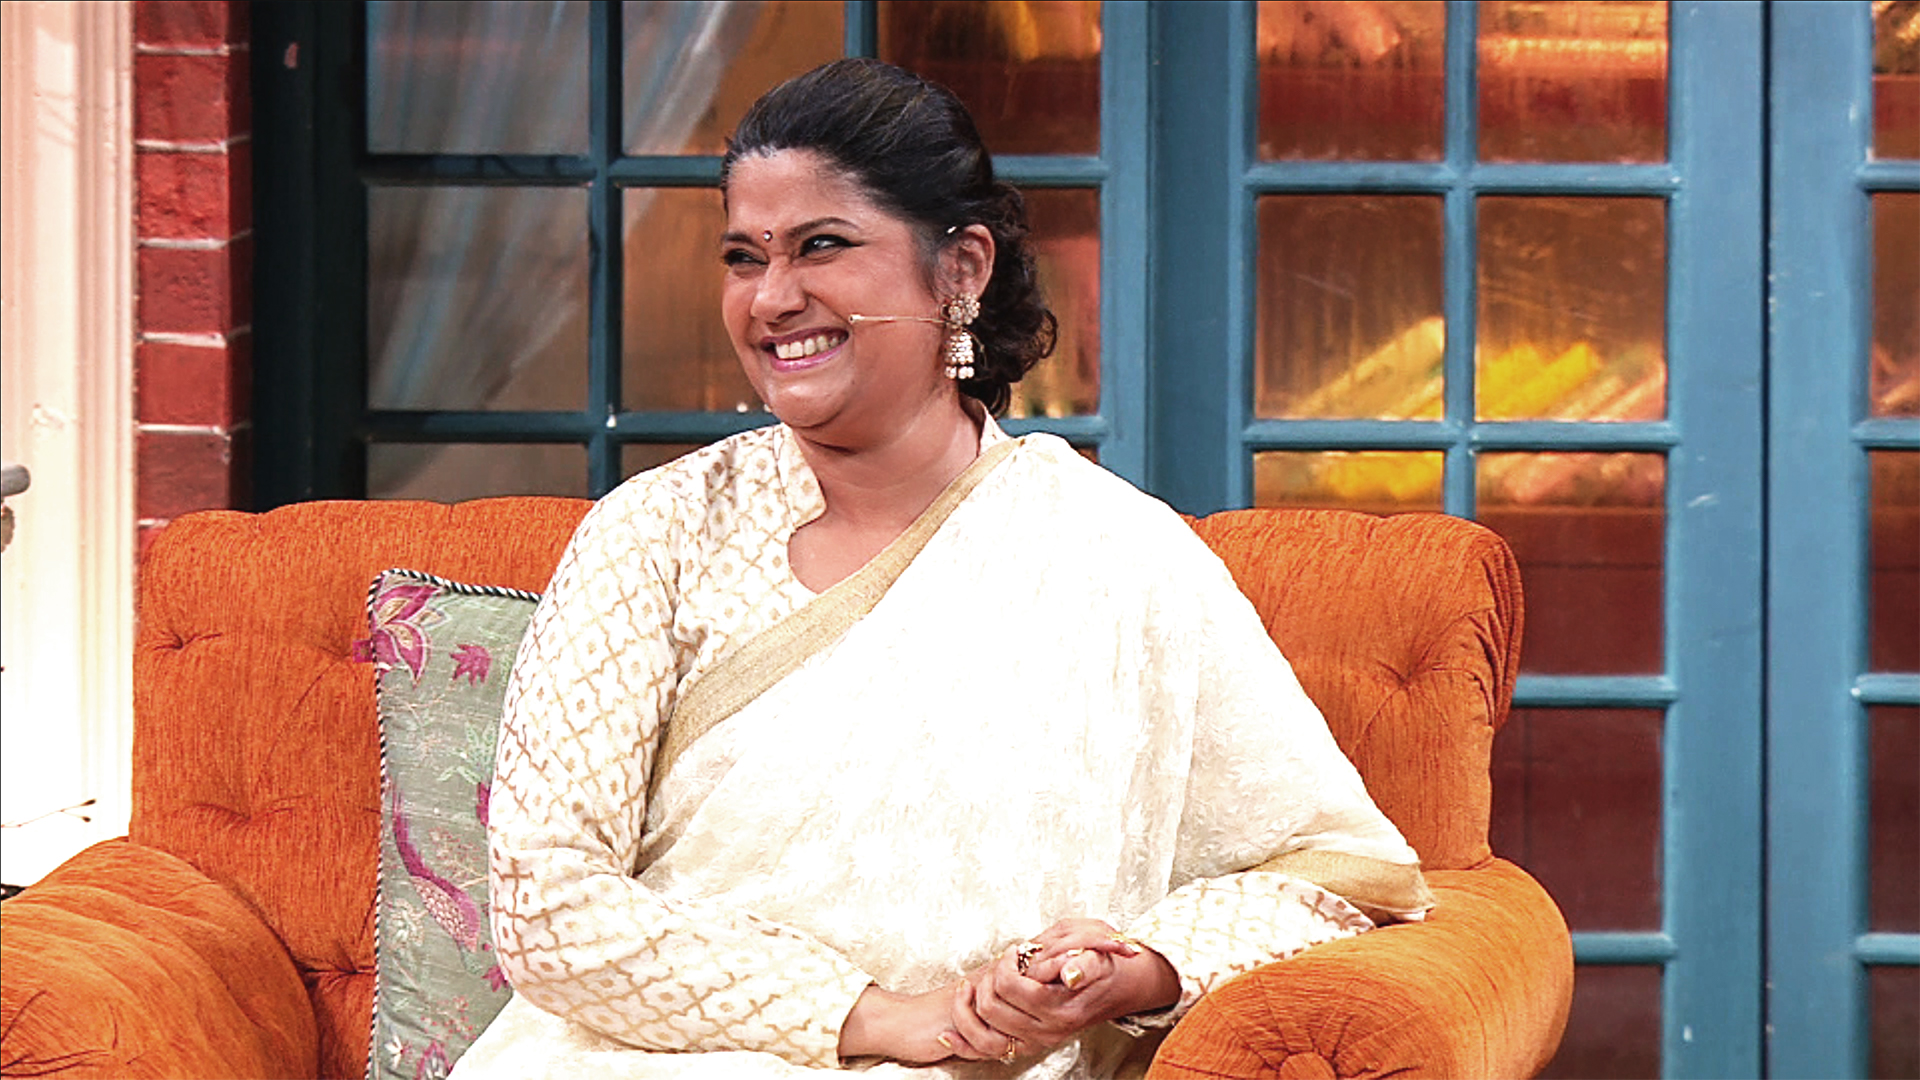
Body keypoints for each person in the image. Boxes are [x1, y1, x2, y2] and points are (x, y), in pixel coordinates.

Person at [453, 58, 1432, 1080]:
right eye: (744, 258)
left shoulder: (1117, 552)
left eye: (822, 245)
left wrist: (1136, 969)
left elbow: (1340, 871)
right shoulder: (655, 533)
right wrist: (871, 1015)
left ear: (960, 268)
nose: (773, 298)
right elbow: (546, 906)